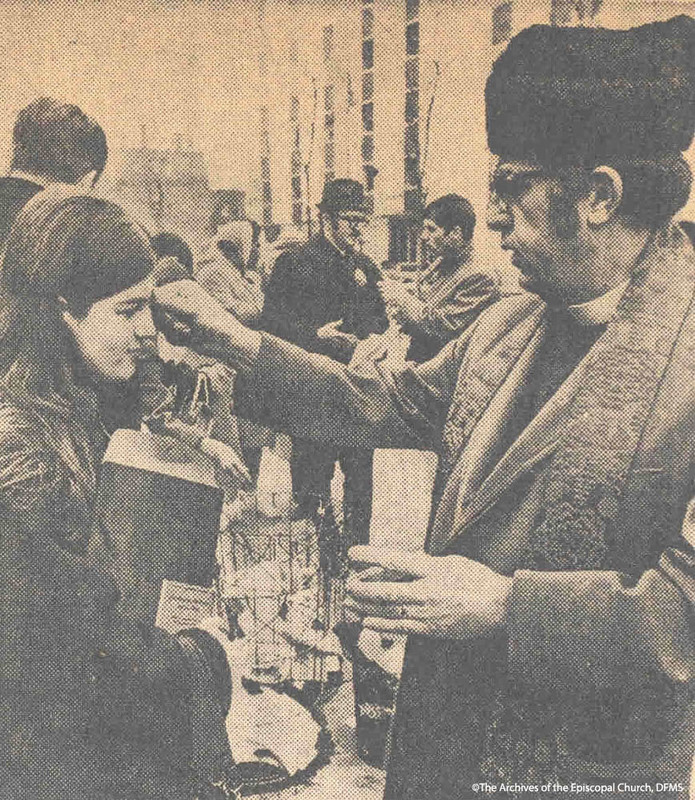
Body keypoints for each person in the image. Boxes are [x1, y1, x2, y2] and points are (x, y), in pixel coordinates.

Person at [153, 15, 695, 800]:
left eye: (511, 186)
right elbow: (383, 403)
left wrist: (503, 606)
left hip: (584, 775)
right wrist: (236, 340)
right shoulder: (510, 320)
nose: (494, 216)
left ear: (600, 196)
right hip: (442, 741)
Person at [0, 187, 239, 800]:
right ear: (64, 310)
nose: (148, 336)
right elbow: (86, 660)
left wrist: (182, 457)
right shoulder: (20, 457)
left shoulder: (87, 404)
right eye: (128, 312)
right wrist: (205, 664)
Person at [260, 178, 388, 542]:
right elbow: (272, 324)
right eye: (351, 220)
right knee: (312, 485)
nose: (359, 229)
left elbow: (380, 318)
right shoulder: (294, 263)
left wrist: (375, 340)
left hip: (358, 389)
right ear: (327, 219)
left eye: (363, 221)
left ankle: (356, 560)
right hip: (313, 391)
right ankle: (319, 565)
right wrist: (315, 336)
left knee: (361, 481)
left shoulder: (365, 266)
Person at [379, 194, 501, 361]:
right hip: (418, 358)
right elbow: (424, 299)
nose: (423, 236)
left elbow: (443, 328)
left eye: (431, 229)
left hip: (444, 371)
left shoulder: (480, 276)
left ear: (456, 233)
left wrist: (402, 298)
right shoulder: (444, 261)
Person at [196, 219, 265, 327]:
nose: (258, 251)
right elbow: (225, 313)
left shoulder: (248, 275)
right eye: (255, 245)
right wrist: (265, 313)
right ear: (242, 245)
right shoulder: (214, 273)